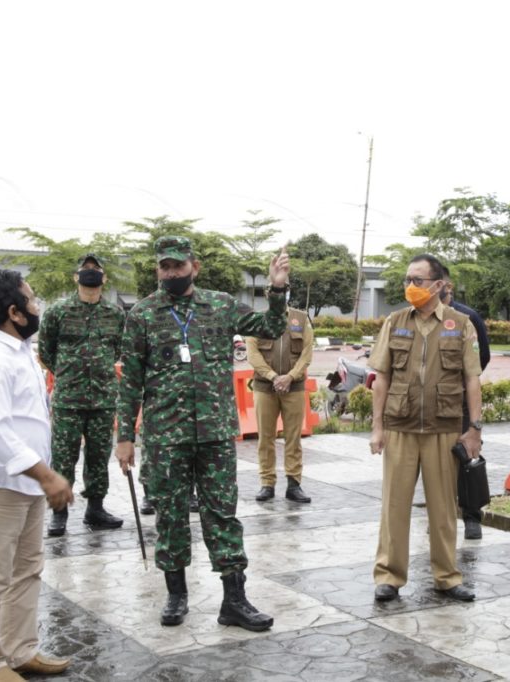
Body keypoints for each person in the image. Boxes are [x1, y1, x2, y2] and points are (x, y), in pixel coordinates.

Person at [114, 236, 289, 631]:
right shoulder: (142, 315)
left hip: (214, 433)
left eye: (178, 266)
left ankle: (234, 600)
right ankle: (177, 595)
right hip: (165, 436)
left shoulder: (222, 304)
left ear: (194, 266)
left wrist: (276, 288)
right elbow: (130, 382)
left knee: (222, 515)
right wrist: (125, 436)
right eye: (165, 267)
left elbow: (271, 327)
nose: (171, 273)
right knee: (172, 517)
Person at [0, 269, 74, 682]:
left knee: (27, 569)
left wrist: (39, 476)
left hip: (26, 483)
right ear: (14, 312)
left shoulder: (18, 349)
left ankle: (20, 651)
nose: (36, 305)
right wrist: (47, 476)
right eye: (31, 299)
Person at [368, 254, 482, 603]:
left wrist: (474, 428)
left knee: (444, 508)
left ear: (438, 285)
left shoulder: (461, 324)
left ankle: (447, 576)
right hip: (400, 427)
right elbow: (381, 377)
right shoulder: (395, 321)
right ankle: (389, 575)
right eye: (407, 280)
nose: (410, 287)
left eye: (417, 280)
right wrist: (377, 428)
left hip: (444, 428)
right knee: (395, 506)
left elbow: (472, 379)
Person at [38, 253, 125, 537]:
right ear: (76, 277)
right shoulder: (58, 311)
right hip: (68, 401)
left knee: (99, 456)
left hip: (102, 399)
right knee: (64, 458)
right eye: (85, 270)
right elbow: (47, 351)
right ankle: (59, 513)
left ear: (104, 278)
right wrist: (68, 373)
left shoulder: (115, 314)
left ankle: (95, 509)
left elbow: (119, 350)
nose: (90, 273)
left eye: (96, 269)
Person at [439, 264, 491, 539]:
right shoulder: (418, 318)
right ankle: (441, 516)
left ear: (447, 286)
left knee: (468, 457)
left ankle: (472, 517)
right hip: (432, 404)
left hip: (459, 400)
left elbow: (482, 358)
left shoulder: (468, 317)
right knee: (436, 462)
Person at [247, 303, 314, 503]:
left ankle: (294, 484)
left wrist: (290, 377)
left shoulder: (301, 318)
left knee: (293, 437)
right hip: (264, 387)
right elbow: (252, 353)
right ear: (267, 294)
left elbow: (307, 352)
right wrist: (274, 376)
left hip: (294, 386)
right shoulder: (257, 319)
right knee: (265, 437)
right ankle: (267, 484)